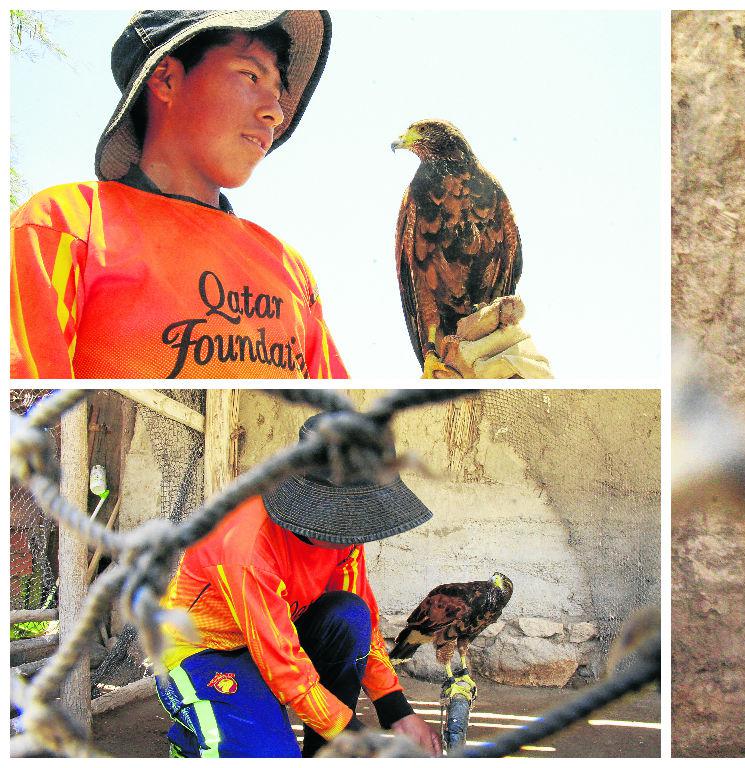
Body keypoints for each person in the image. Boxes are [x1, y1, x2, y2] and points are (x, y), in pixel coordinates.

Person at [10, 10, 347, 379]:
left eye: (279, 94)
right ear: (166, 79)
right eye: (251, 76)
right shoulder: (63, 224)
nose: (275, 113)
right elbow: (25, 401)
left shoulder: (290, 269)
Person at [155, 413, 441, 757]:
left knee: (351, 614)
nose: (358, 531)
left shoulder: (345, 533)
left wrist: (397, 710)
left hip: (277, 634)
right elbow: (281, 662)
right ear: (316, 506)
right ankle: (192, 737)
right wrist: (359, 739)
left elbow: (362, 620)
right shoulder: (244, 543)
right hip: (207, 651)